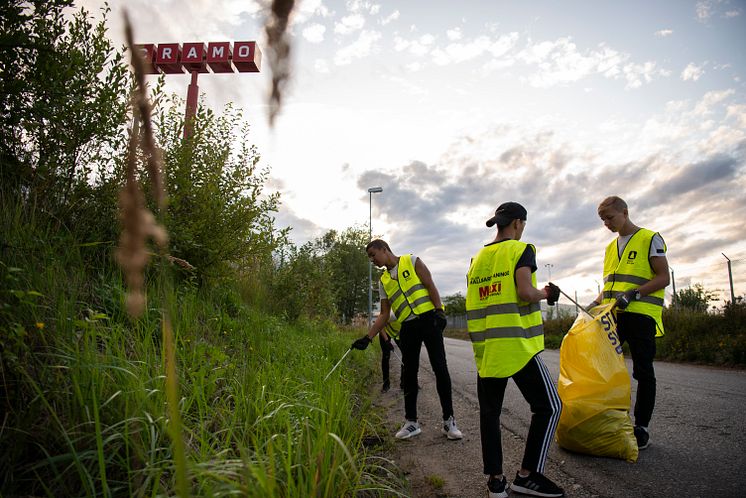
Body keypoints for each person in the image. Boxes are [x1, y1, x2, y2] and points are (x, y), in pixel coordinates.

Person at [466, 201, 564, 498]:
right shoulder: (522, 249)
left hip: (489, 350)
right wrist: (547, 293)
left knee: (490, 414)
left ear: (498, 223)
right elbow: (524, 292)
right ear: (518, 224)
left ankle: (496, 482)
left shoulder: (477, 259)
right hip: (518, 347)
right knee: (549, 407)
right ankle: (528, 475)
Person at [351, 239, 463, 441]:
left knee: (440, 368)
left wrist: (439, 311)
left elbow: (430, 285)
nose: (372, 260)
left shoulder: (411, 261)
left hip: (430, 321)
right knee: (409, 373)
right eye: (369, 257)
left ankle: (449, 421)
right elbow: (384, 314)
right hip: (408, 327)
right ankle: (412, 422)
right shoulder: (383, 281)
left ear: (384, 250)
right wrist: (368, 337)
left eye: (373, 255)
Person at [589, 195, 669, 451]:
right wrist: (594, 304)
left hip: (640, 316)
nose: (606, 224)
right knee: (605, 368)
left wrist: (635, 294)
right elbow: (611, 285)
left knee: (643, 372)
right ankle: (610, 420)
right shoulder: (610, 248)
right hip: (614, 316)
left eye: (609, 218)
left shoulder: (649, 238)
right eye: (602, 220)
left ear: (624, 212)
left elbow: (663, 277)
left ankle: (641, 427)